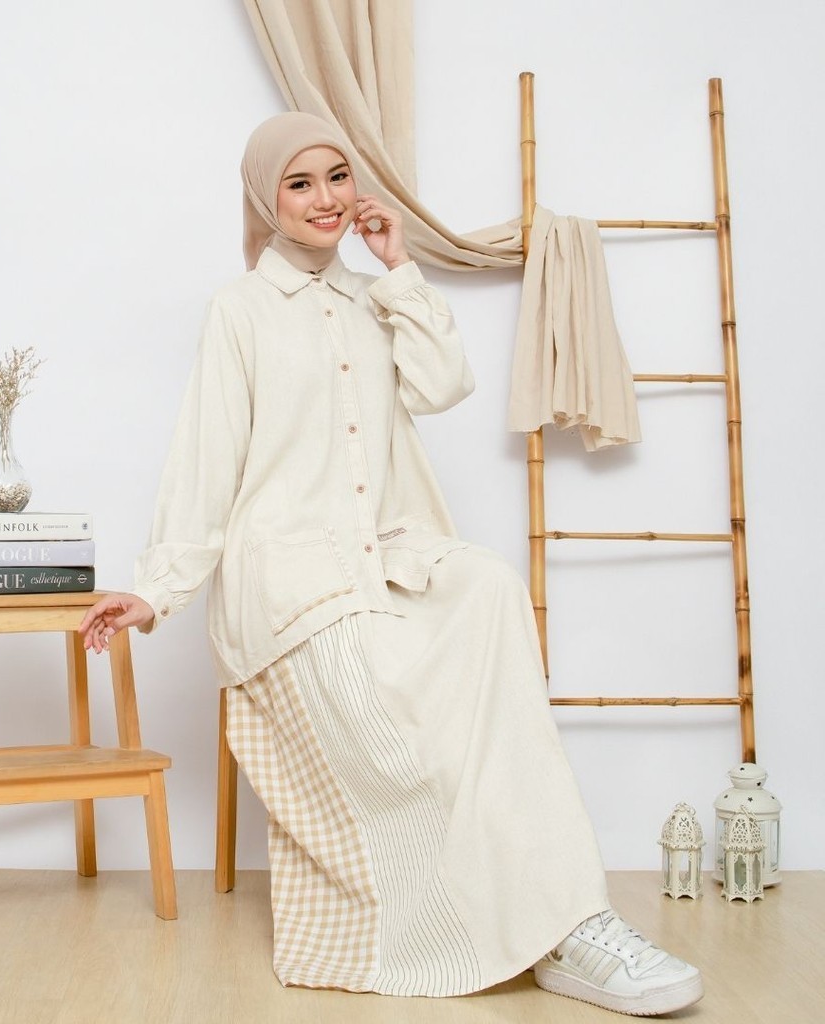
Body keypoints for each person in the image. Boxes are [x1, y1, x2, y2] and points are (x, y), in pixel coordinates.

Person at [79, 112, 703, 1016]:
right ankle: (522, 926)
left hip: (383, 554)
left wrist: (400, 266)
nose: (325, 199)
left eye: (337, 177)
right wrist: (157, 589)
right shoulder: (239, 310)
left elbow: (444, 386)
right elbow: (206, 458)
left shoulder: (376, 299)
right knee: (391, 720)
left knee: (490, 588)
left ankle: (571, 919)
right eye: (300, 184)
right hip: (289, 578)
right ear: (266, 199)